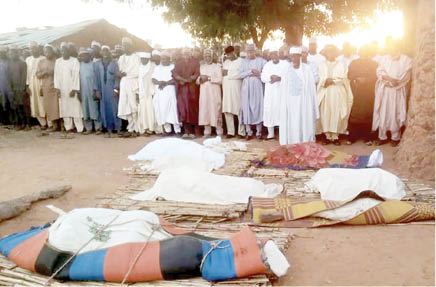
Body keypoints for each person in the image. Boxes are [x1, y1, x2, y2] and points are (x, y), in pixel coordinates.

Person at [372, 40, 412, 146]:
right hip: (385, 89)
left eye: (393, 47)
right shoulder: (384, 58)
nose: (391, 49)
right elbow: (380, 72)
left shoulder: (406, 60)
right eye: (390, 47)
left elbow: (406, 75)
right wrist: (388, 80)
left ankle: (395, 137)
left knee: (396, 112)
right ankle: (382, 136)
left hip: (397, 90)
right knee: (383, 112)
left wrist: (396, 83)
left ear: (398, 47)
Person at [279, 47, 318, 145]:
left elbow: (311, 88)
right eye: (292, 56)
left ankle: (304, 143)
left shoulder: (307, 69)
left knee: (303, 122)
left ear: (300, 56)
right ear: (290, 57)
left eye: (297, 56)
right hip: (290, 102)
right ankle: (291, 144)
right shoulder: (286, 70)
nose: (295, 59)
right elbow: (283, 89)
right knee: (291, 122)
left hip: (303, 102)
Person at [316, 45, 353, 145]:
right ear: (325, 54)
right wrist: (325, 81)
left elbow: (344, 77)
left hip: (337, 91)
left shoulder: (342, 64)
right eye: (328, 52)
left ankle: (335, 136)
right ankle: (327, 136)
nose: (330, 54)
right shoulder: (321, 65)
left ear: (335, 54)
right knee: (325, 112)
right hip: (326, 91)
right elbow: (319, 77)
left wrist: (333, 80)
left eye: (332, 52)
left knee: (336, 112)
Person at [347, 45, 378, 145]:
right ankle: (352, 137)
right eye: (362, 52)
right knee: (355, 113)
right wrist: (357, 79)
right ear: (359, 53)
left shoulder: (374, 64)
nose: (363, 54)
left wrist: (367, 80)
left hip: (368, 92)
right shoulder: (354, 63)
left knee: (367, 113)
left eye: (365, 52)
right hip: (356, 91)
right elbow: (349, 74)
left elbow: (376, 75)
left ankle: (367, 137)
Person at [54, 41, 83, 136]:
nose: (64, 52)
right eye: (62, 51)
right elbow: (56, 76)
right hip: (62, 88)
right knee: (65, 108)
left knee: (75, 108)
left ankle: (79, 128)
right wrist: (57, 89)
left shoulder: (74, 61)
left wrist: (74, 89)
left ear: (68, 51)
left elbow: (76, 75)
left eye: (65, 50)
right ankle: (68, 127)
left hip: (71, 88)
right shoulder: (58, 61)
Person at [239, 44, 266, 140]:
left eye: (252, 51)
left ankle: (259, 132)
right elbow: (240, 75)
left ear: (255, 51)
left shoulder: (261, 61)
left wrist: (258, 74)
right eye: (248, 52)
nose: (250, 53)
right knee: (247, 108)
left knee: (258, 107)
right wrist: (250, 71)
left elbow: (265, 75)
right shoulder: (243, 62)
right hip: (247, 88)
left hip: (257, 87)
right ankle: (249, 132)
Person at [260, 49, 288, 140]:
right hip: (270, 93)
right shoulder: (267, 65)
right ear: (270, 56)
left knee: (282, 111)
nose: (274, 56)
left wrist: (280, 78)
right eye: (272, 55)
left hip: (281, 92)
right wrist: (270, 77)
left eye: (276, 54)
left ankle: (283, 134)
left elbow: (290, 75)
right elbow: (263, 77)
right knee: (270, 111)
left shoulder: (285, 64)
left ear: (279, 55)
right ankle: (270, 134)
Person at [172, 48, 200, 138]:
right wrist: (181, 80)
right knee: (183, 109)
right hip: (182, 89)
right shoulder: (178, 63)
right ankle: (186, 131)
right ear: (182, 54)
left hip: (192, 89)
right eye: (184, 53)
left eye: (188, 53)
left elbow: (197, 73)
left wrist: (190, 79)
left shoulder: (195, 62)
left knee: (193, 109)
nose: (186, 55)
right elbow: (175, 74)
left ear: (190, 53)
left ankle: (194, 132)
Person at [152, 51, 181, 135]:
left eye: (165, 59)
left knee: (173, 110)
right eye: (162, 59)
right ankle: (167, 130)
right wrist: (159, 82)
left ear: (169, 59)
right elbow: (153, 79)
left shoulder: (173, 67)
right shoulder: (157, 68)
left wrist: (165, 83)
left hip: (170, 90)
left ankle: (177, 130)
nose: (163, 61)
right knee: (162, 110)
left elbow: (175, 79)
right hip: (160, 92)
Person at [94, 45, 121, 137]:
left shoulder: (114, 63)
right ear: (101, 52)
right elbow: (96, 78)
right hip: (102, 88)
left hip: (112, 88)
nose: (105, 53)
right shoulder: (97, 64)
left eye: (106, 51)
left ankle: (117, 128)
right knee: (103, 108)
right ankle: (107, 128)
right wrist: (97, 90)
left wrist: (116, 89)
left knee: (114, 107)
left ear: (109, 52)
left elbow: (117, 77)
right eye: (103, 51)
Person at [197, 49, 223, 137]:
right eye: (206, 57)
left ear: (212, 57)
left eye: (209, 56)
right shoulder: (202, 67)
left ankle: (219, 131)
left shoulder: (217, 66)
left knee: (216, 109)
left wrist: (208, 78)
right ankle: (207, 131)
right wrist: (200, 79)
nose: (207, 58)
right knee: (205, 109)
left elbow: (220, 80)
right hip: (204, 91)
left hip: (214, 91)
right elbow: (198, 79)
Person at [117, 37, 141, 136]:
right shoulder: (121, 58)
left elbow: (137, 72)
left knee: (134, 106)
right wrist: (120, 74)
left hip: (133, 83)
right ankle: (130, 128)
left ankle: (137, 128)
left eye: (127, 45)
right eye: (124, 46)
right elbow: (119, 71)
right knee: (125, 106)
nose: (126, 47)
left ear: (131, 46)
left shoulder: (136, 57)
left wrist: (126, 74)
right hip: (124, 83)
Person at [222, 45, 245, 138]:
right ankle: (230, 132)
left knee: (239, 109)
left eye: (231, 53)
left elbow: (241, 74)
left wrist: (230, 74)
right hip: (227, 88)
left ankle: (241, 132)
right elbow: (223, 73)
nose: (229, 56)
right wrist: (231, 74)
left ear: (234, 52)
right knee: (227, 110)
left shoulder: (241, 61)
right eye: (228, 54)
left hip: (237, 87)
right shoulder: (226, 62)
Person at [36, 44, 60, 131]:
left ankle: (61, 125)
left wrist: (53, 72)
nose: (47, 53)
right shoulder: (41, 62)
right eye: (45, 52)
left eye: (49, 51)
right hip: (46, 87)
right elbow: (37, 75)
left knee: (58, 106)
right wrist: (44, 73)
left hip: (57, 86)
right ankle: (54, 125)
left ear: (52, 52)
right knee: (49, 106)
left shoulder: (57, 61)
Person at [79, 47, 101, 134]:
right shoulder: (80, 65)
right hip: (83, 90)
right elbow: (78, 79)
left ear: (89, 56)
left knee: (94, 108)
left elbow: (97, 78)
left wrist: (96, 91)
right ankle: (88, 128)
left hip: (92, 89)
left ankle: (98, 127)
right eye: (82, 56)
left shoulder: (94, 65)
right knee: (85, 109)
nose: (84, 57)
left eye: (85, 55)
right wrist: (79, 92)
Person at [137, 52, 160, 135]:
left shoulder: (153, 67)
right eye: (141, 59)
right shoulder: (139, 67)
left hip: (151, 92)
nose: (143, 60)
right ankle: (146, 128)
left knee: (152, 111)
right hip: (142, 93)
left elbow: (155, 79)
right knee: (143, 111)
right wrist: (137, 92)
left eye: (144, 59)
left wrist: (154, 92)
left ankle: (154, 128)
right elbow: (138, 80)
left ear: (148, 59)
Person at [26, 41, 46, 129]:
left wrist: (42, 86)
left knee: (43, 102)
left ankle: (49, 123)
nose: (33, 50)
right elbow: (27, 74)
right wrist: (27, 86)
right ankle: (42, 124)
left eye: (34, 48)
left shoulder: (43, 58)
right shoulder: (28, 59)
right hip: (31, 83)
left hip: (41, 82)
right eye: (31, 48)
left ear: (38, 48)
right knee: (34, 103)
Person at [8, 45, 29, 130]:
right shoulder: (10, 64)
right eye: (10, 53)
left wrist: (22, 88)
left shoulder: (22, 63)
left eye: (13, 53)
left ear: (17, 54)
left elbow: (24, 76)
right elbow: (9, 77)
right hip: (13, 89)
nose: (12, 55)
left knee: (24, 107)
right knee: (16, 107)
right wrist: (11, 89)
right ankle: (20, 123)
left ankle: (27, 124)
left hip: (21, 88)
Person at [0, 46, 12, 125]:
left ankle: (11, 121)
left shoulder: (9, 62)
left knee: (10, 104)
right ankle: (4, 121)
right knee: (3, 104)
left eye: (3, 53)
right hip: (1, 87)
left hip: (9, 86)